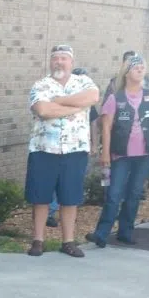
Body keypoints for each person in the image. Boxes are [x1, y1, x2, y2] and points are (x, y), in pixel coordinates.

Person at [86, 56, 149, 247]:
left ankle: (126, 232)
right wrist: (105, 153)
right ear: (126, 73)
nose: (140, 70)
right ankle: (102, 233)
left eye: (142, 67)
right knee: (114, 194)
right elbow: (106, 127)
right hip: (121, 155)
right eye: (136, 68)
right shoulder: (115, 98)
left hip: (146, 154)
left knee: (134, 194)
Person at [25, 44, 100, 257]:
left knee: (70, 198)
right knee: (40, 197)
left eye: (63, 58)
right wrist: (77, 107)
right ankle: (38, 240)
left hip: (75, 150)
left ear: (71, 62)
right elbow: (43, 110)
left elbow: (93, 97)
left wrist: (59, 102)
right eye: (55, 58)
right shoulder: (41, 85)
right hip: (43, 149)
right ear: (50, 62)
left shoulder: (83, 82)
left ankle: (68, 242)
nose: (59, 62)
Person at [47, 66, 100, 227]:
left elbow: (93, 123)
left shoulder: (87, 102)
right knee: (55, 181)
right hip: (56, 147)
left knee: (73, 182)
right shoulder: (61, 97)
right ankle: (51, 211)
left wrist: (94, 143)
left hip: (78, 148)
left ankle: (68, 213)